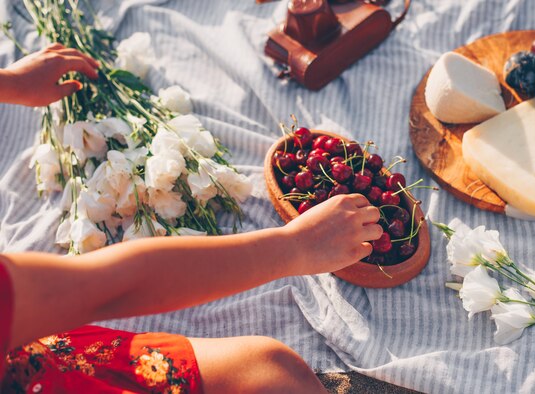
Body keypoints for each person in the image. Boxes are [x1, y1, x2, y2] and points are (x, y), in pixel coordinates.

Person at [0, 44, 383, 393]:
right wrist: (294, 247)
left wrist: (9, 83)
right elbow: (114, 287)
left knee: (272, 371)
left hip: (23, 354)